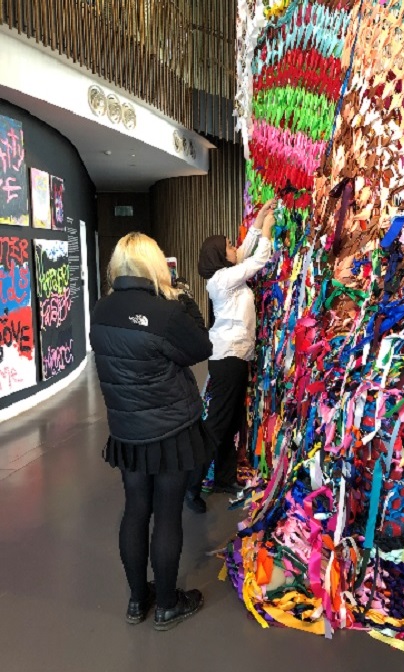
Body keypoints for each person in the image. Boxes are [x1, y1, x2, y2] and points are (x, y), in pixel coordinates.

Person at [90, 232, 213, 630]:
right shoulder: (167, 312)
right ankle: (165, 605)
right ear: (155, 265)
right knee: (167, 514)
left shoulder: (101, 309)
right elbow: (200, 349)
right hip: (171, 429)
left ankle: (135, 602)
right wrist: (183, 296)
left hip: (127, 428)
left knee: (135, 508)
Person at [185, 199, 276, 513]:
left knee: (231, 421)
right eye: (228, 246)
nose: (234, 246)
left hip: (235, 357)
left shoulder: (226, 275)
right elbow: (257, 259)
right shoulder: (223, 280)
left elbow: (243, 251)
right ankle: (191, 485)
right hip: (229, 359)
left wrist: (260, 218)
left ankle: (223, 478)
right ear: (219, 257)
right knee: (218, 425)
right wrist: (267, 231)